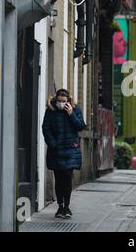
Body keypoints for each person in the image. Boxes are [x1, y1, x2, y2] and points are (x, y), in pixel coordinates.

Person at [42, 89, 86, 219]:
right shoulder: (51, 111)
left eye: (64, 101)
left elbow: (80, 126)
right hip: (56, 150)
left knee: (67, 176)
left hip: (71, 149)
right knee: (59, 178)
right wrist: (52, 143)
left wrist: (71, 114)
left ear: (68, 101)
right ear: (56, 100)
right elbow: (46, 128)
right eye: (59, 101)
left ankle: (67, 206)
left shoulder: (75, 110)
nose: (61, 103)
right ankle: (60, 207)